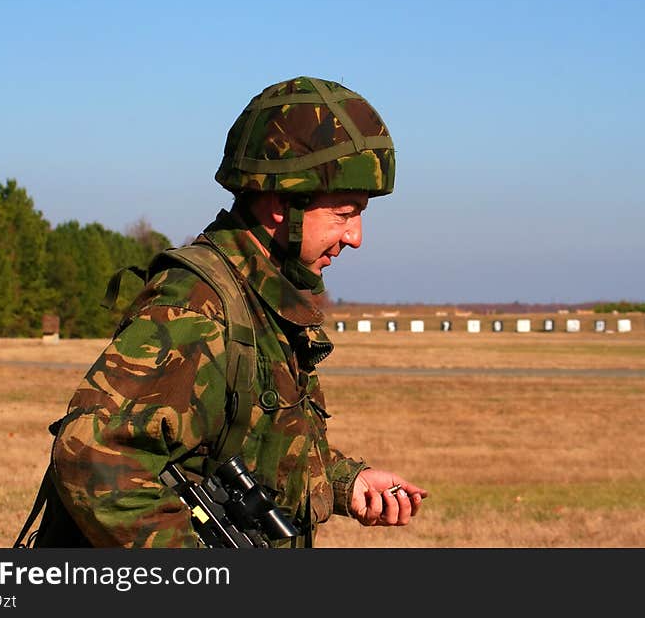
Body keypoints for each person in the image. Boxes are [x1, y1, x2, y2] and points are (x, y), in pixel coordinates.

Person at [36, 76, 428, 548]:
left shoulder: (262, 300)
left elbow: (249, 450)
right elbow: (93, 457)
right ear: (284, 203)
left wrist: (347, 483)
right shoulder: (197, 305)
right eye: (343, 213)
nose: (356, 236)